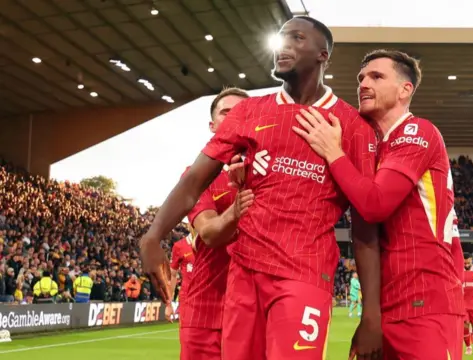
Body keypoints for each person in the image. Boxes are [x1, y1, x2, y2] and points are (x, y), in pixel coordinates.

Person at [139, 16, 382, 360]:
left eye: (297, 38)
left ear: (322, 55)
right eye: (281, 38)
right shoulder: (250, 112)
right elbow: (194, 179)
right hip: (245, 275)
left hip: (304, 273)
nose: (284, 45)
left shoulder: (353, 126)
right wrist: (152, 236)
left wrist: (372, 311)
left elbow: (365, 224)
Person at [292, 49, 465, 359]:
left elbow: (375, 204)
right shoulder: (371, 149)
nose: (363, 83)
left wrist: (334, 154)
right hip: (387, 305)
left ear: (405, 89)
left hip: (426, 301)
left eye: (376, 76)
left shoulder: (417, 132)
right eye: (361, 78)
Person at [177, 87, 253, 360]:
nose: (235, 117)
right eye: (226, 112)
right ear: (213, 126)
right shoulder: (196, 176)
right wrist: (237, 209)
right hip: (208, 311)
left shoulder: (276, 174)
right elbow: (208, 233)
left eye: (244, 111)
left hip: (255, 310)